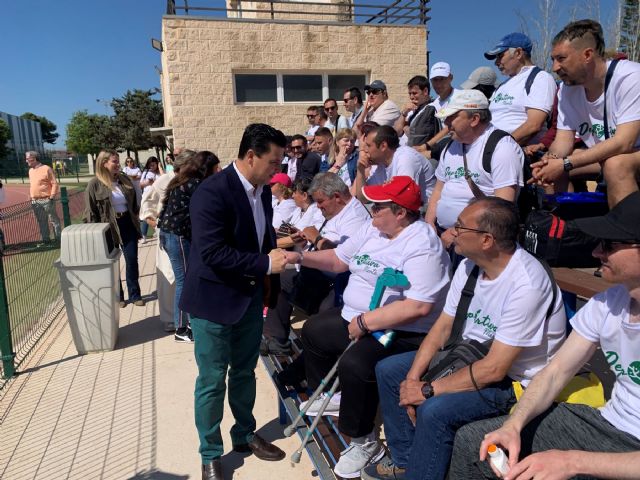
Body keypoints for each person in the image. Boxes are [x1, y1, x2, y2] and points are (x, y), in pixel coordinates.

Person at [362, 197, 566, 480]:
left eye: (460, 227)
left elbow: (495, 369)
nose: (452, 232)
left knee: (435, 410)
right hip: (468, 356)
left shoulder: (527, 284)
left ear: (486, 240)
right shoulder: (470, 266)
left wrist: (428, 390)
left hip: (517, 382)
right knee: (388, 370)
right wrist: (412, 380)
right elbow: (443, 327)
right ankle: (405, 460)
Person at [450, 191, 640, 480]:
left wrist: (572, 462)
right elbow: (554, 372)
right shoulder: (609, 302)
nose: (596, 253)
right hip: (605, 423)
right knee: (475, 443)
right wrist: (513, 425)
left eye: (610, 244)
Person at [286, 176, 451, 479]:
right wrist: (299, 257)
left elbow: (419, 306)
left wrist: (365, 322)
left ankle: (365, 441)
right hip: (358, 316)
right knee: (314, 330)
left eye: (378, 206)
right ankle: (337, 397)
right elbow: (338, 260)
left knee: (356, 362)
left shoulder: (421, 243)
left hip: (402, 329)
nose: (371, 210)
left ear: (400, 212)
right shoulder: (374, 229)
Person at [180, 124, 289, 480]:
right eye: (273, 162)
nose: (278, 169)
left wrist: (269, 271)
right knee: (212, 380)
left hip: (248, 298)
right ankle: (210, 452)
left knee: (245, 372)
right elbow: (211, 253)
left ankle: (244, 435)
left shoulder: (264, 192)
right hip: (213, 302)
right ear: (250, 156)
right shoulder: (211, 192)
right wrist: (264, 264)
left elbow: (262, 236)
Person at [530, 19, 640, 208]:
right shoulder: (566, 89)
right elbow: (564, 141)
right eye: (552, 60)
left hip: (629, 151)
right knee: (552, 168)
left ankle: (626, 235)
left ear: (587, 55)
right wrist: (551, 160)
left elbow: (624, 142)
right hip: (607, 156)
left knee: (616, 164)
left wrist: (565, 163)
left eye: (561, 58)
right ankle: (562, 230)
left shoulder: (630, 77)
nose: (555, 68)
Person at [424, 90, 524, 250]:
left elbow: (503, 209)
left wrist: (459, 232)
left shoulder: (502, 148)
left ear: (474, 119)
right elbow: (438, 191)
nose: (446, 123)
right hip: (443, 236)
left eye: (452, 117)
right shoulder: (450, 146)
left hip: (477, 241)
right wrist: (429, 225)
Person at [158, 150, 220, 343]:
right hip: (176, 237)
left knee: (185, 279)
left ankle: (186, 323)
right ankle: (181, 328)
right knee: (184, 281)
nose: (218, 172)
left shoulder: (185, 180)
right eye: (216, 168)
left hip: (170, 234)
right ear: (206, 168)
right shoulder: (195, 184)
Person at [84, 150, 145, 307]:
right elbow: (90, 212)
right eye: (114, 161)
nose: (118, 164)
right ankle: (119, 297)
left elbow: (133, 202)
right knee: (113, 263)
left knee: (131, 260)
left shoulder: (124, 180)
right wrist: (94, 233)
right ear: (104, 163)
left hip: (127, 223)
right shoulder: (94, 184)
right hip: (107, 227)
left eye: (118, 161)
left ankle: (135, 294)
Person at [484, 32, 557, 146]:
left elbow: (534, 125)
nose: (496, 62)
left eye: (500, 56)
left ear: (518, 53)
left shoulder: (540, 78)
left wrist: (497, 146)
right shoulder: (502, 86)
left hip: (514, 150)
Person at [355, 125, 436, 209]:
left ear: (383, 146)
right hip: (400, 211)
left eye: (368, 145)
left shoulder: (406, 158)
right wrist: (360, 170)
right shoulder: (381, 163)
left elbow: (404, 200)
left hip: (423, 211)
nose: (365, 150)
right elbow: (363, 198)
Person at [394, 75, 440, 149]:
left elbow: (417, 136)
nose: (411, 97)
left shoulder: (431, 109)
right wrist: (404, 113)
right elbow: (397, 132)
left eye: (414, 93)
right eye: (410, 94)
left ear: (425, 91)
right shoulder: (411, 110)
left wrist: (405, 127)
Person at [26, 151, 61, 242]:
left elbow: (54, 183)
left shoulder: (46, 169)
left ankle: (59, 238)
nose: (26, 161)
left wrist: (52, 197)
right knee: (42, 221)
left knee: (53, 220)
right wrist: (32, 197)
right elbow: (32, 185)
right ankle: (46, 240)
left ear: (34, 158)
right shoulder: (30, 171)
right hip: (35, 201)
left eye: (27, 158)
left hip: (47, 199)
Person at [139, 157, 161, 243]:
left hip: (157, 197)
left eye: (153, 165)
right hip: (147, 197)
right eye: (150, 165)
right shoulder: (146, 172)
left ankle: (157, 231)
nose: (151, 166)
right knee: (146, 216)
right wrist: (148, 182)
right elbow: (140, 185)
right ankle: (144, 235)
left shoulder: (160, 173)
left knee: (156, 215)